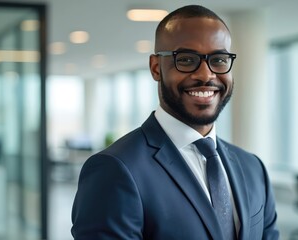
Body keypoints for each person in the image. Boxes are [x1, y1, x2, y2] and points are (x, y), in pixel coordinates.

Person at [71, 4, 279, 240]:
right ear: (156, 67)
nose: (206, 74)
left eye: (219, 59)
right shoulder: (115, 169)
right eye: (187, 59)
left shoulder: (253, 168)